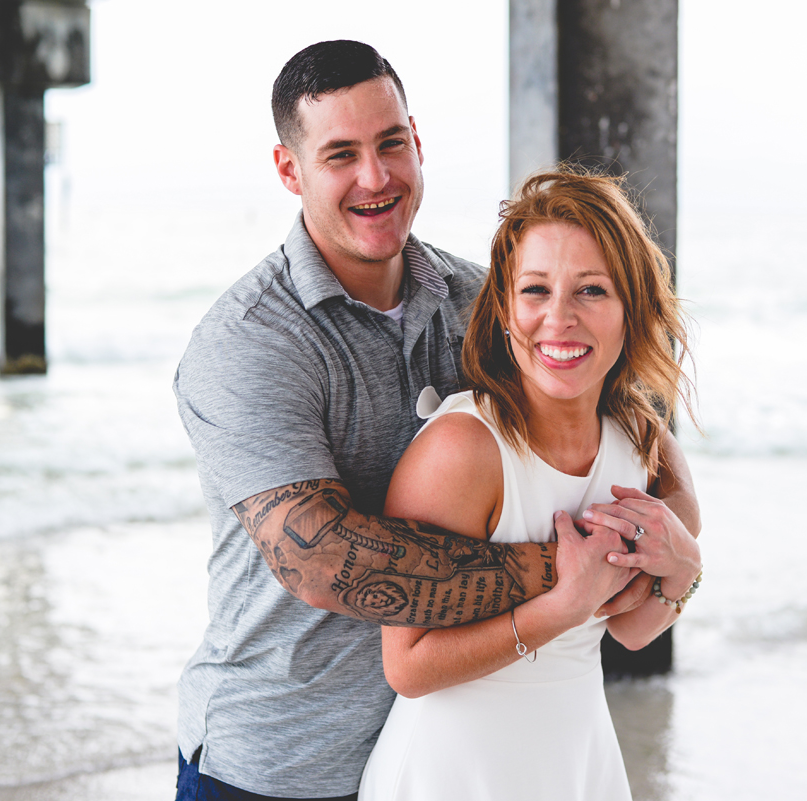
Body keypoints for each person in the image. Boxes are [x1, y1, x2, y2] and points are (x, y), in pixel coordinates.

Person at [173, 40, 700, 800]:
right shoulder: (250, 343)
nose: (376, 176)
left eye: (391, 143)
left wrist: (679, 544)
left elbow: (624, 421)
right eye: (340, 155)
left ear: (418, 141)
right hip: (280, 761)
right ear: (290, 171)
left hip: (450, 750)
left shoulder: (483, 302)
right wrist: (578, 569)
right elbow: (320, 559)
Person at [358, 168, 702, 801]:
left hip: (577, 761)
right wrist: (560, 608)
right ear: (507, 313)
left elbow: (629, 629)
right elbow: (406, 666)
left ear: (632, 307)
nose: (559, 319)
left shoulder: (635, 438)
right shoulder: (463, 449)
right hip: (455, 774)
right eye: (536, 290)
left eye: (592, 290)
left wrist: (686, 569)